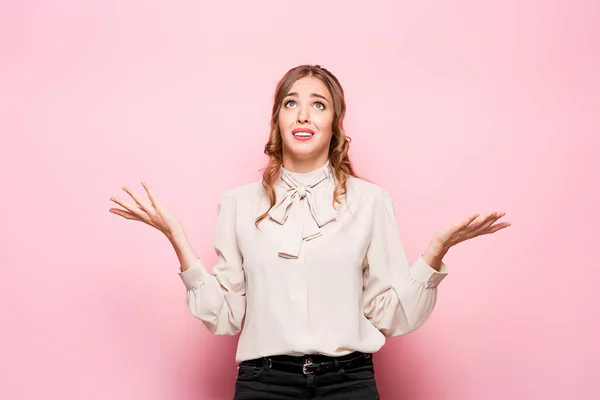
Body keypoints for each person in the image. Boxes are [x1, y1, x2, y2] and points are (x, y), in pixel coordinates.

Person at [109, 64, 510, 399]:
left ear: (334, 123)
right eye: (291, 103)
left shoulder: (371, 201)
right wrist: (177, 239)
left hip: (349, 384)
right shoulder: (237, 204)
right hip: (264, 384)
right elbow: (228, 316)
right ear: (277, 120)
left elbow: (389, 315)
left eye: (318, 105)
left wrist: (434, 254)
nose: (303, 115)